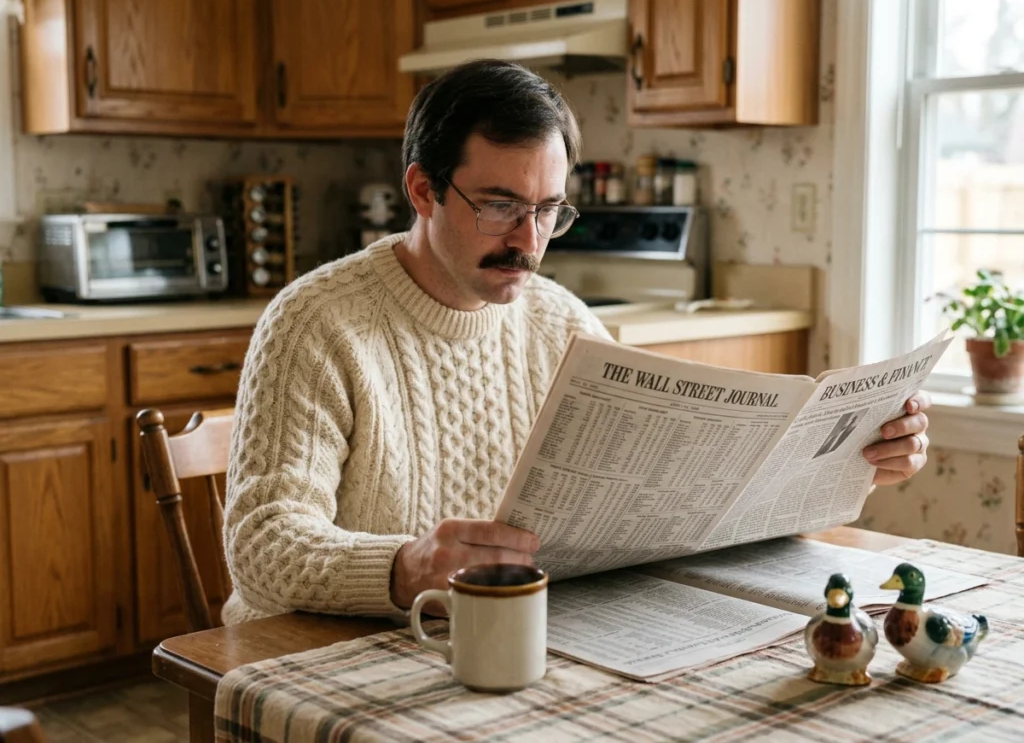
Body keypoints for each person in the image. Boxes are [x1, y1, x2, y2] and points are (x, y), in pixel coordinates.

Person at [221, 59, 933, 625]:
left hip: (507, 633)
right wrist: (403, 566)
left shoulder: (559, 320)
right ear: (422, 190)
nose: (528, 242)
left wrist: (850, 457)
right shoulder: (315, 323)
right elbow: (262, 545)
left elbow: (667, 494)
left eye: (548, 211)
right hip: (323, 650)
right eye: (500, 206)